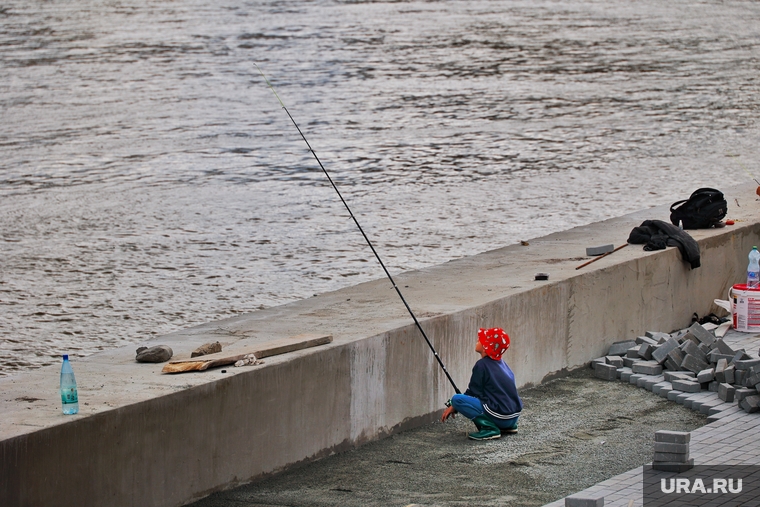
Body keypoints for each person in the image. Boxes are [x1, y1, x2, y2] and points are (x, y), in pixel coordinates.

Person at [441, 327, 523, 440]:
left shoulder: (481, 365)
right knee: (461, 400)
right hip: (512, 419)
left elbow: (473, 392)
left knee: (456, 399)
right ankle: (505, 426)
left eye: (480, 340)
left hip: (501, 417)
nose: (477, 341)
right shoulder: (503, 364)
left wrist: (454, 404)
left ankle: (490, 429)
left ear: (486, 348)